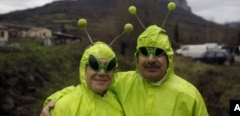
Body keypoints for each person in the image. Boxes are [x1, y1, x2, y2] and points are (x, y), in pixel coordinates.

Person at [41, 25, 209, 116]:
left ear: (169, 58)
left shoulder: (189, 95)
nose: (151, 59)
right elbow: (86, 87)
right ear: (137, 58)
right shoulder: (122, 82)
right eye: (144, 52)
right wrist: (54, 101)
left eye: (158, 52)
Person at [40, 41, 124, 116]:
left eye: (109, 66)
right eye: (94, 65)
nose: (102, 73)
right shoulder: (65, 106)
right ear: (84, 69)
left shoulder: (121, 103)